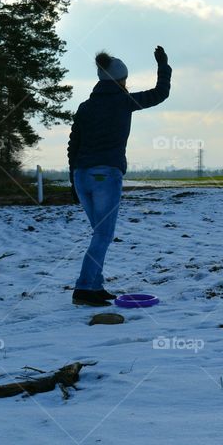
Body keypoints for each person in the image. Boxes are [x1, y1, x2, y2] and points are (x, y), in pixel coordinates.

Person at [67, 46, 172, 306]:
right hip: (106, 175)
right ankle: (83, 289)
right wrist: (163, 66)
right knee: (103, 235)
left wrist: (73, 179)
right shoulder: (124, 101)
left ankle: (95, 285)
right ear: (120, 80)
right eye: (125, 79)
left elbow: (73, 143)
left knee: (99, 234)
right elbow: (160, 93)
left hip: (81, 176)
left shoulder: (85, 106)